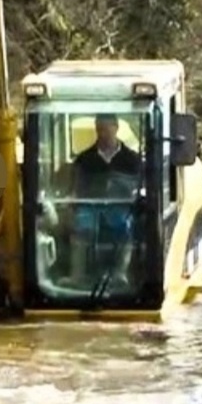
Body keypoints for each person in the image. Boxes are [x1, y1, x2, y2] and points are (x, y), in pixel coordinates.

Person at [67, 113, 143, 289]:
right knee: (80, 225)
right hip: (90, 207)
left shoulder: (132, 159)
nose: (103, 133)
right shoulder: (84, 159)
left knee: (126, 225)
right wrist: (73, 206)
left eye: (107, 128)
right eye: (100, 129)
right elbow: (75, 189)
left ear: (116, 128)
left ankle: (120, 273)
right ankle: (76, 275)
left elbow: (139, 188)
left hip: (120, 208)